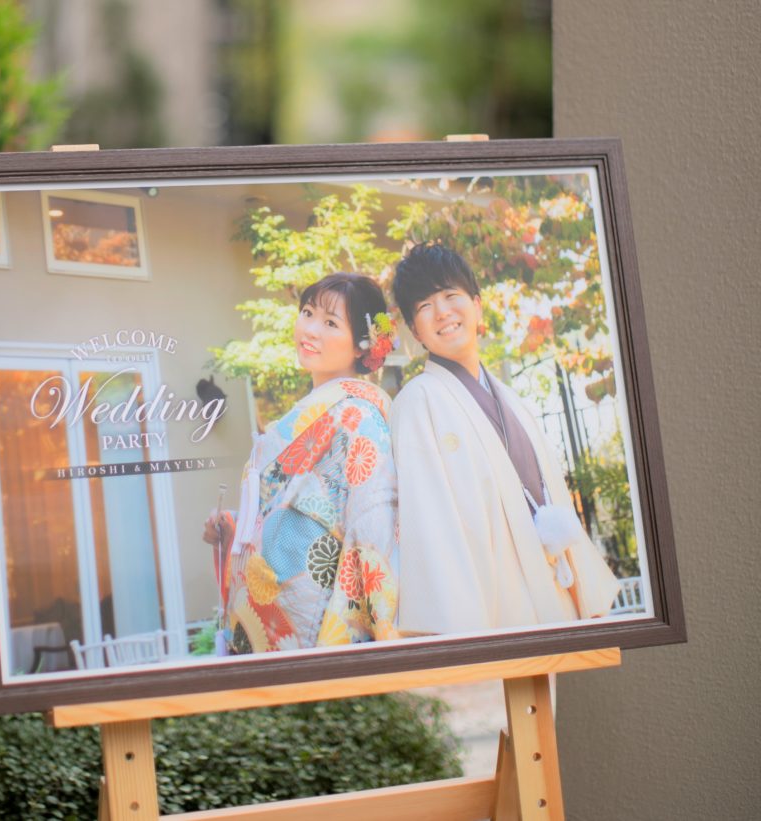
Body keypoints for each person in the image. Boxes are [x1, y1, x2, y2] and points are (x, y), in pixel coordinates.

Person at [390, 243, 619, 635]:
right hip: (491, 613)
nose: (442, 312)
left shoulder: (513, 400)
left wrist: (588, 594)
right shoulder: (417, 401)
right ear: (415, 330)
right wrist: (461, 634)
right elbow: (429, 525)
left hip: (552, 594)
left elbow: (553, 497)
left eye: (450, 295)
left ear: (477, 305)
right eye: (425, 305)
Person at [202, 273, 399, 653]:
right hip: (267, 612)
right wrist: (232, 528)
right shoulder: (305, 415)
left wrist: (383, 629)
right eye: (307, 313)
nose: (310, 329)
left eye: (330, 323)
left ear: (363, 345)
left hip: (311, 618)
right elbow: (278, 512)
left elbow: (373, 524)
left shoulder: (360, 416)